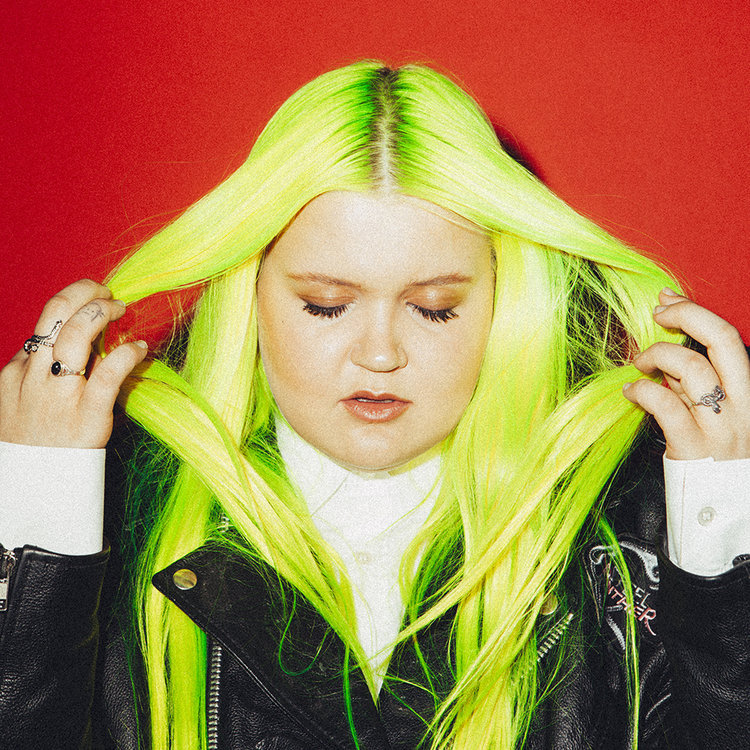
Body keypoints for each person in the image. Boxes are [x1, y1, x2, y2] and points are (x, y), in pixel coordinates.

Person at [1, 61, 749, 750]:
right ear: (249, 293)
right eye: (326, 305)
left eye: (435, 308)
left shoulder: (629, 515)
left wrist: (724, 526)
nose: (380, 354)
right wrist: (42, 511)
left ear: (505, 301)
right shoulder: (117, 502)